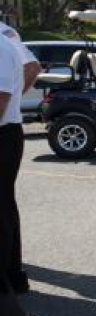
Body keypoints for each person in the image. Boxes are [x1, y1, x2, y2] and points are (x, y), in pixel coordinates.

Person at [0, 23, 38, 295]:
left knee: (1, 210)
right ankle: (12, 276)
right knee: (3, 207)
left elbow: (1, 98)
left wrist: (13, 101)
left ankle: (7, 280)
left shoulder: (2, 44)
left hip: (3, 132)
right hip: (6, 130)